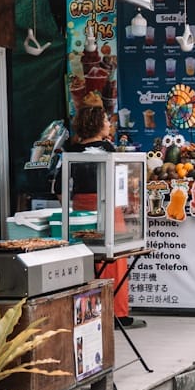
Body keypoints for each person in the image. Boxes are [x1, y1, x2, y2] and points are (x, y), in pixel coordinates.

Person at [65, 95, 146, 329]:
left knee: (87, 259)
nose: (110, 125)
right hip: (108, 209)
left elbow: (61, 187)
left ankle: (88, 311)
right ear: (98, 125)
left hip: (79, 209)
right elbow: (122, 183)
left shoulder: (72, 150)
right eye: (106, 121)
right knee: (115, 260)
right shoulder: (108, 149)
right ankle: (117, 313)